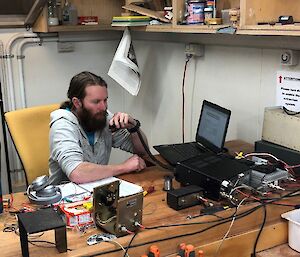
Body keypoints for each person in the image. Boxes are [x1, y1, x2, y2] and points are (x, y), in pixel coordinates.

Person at [49, 71, 148, 185]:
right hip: (65, 198)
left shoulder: (103, 118)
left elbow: (142, 151)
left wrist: (133, 127)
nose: (103, 107)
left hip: (97, 190)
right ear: (77, 103)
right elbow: (76, 172)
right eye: (96, 102)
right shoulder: (62, 125)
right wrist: (123, 167)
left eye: (105, 100)